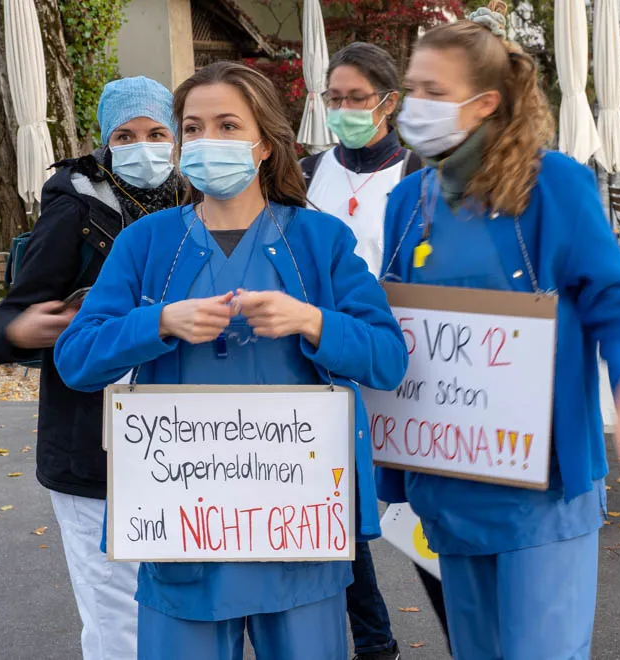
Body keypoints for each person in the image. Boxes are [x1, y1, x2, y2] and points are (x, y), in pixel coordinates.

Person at [53, 61, 408, 660]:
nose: (206, 141)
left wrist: (312, 321)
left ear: (264, 144)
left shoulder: (319, 241)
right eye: (193, 128)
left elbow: (388, 359)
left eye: (227, 125)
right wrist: (157, 323)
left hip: (298, 531)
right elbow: (77, 360)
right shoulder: (147, 242)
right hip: (182, 530)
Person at [376, 7, 620, 660]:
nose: (414, 104)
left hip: (542, 490)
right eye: (412, 88)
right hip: (447, 486)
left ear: (484, 103)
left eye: (433, 91)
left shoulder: (554, 184)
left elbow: (617, 303)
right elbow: (392, 320)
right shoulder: (406, 201)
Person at [0, 76, 181, 660]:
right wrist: (22, 330)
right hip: (91, 448)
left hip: (185, 443)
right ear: (105, 142)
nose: (143, 147)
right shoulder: (74, 207)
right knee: (116, 614)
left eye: (157, 133)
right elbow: (11, 318)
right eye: (126, 135)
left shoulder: (200, 199)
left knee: (180, 607)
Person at [301, 42, 443, 660]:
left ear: (388, 101)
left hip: (408, 367)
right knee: (339, 507)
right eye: (334, 98)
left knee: (419, 514)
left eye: (356, 98)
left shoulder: (418, 173)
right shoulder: (305, 172)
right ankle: (375, 643)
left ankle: (465, 630)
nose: (343, 109)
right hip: (327, 361)